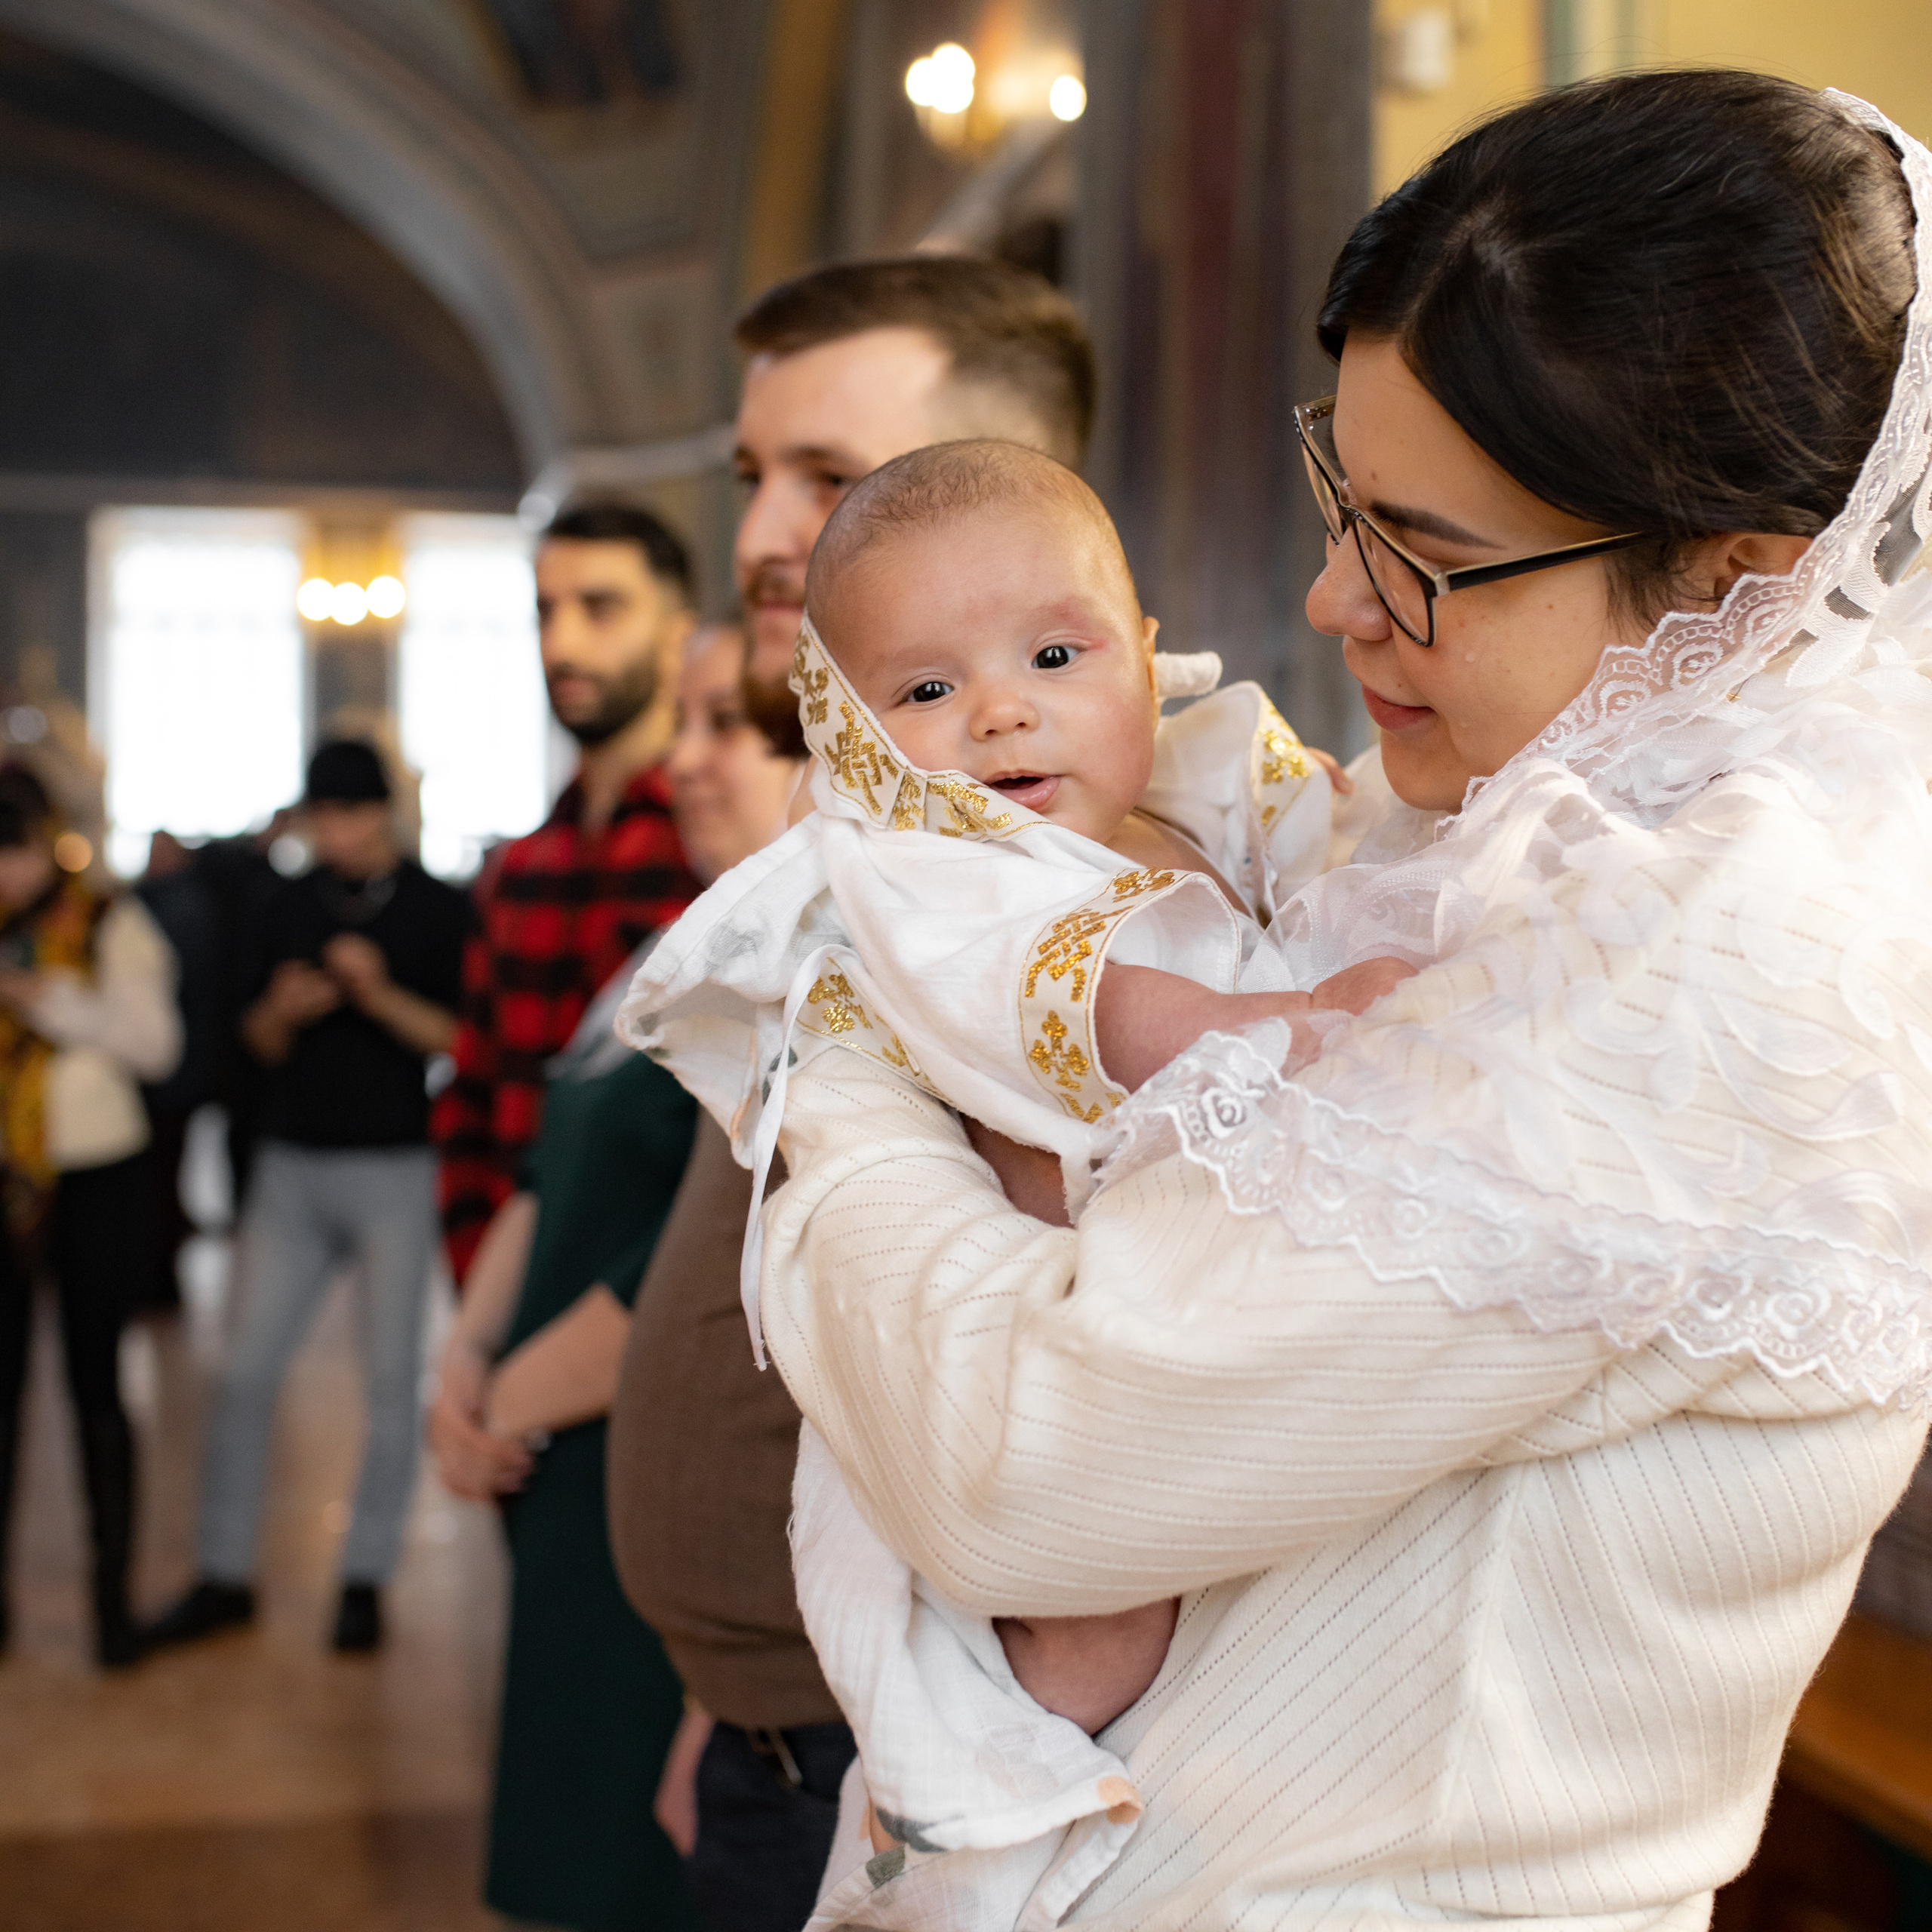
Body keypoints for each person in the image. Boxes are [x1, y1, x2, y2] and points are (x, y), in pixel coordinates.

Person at [755, 73, 1932, 1932]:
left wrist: (840, 1047)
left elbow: (1014, 1468)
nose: (1328, 598)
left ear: (1737, 577)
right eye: (1340, 496)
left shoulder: (1724, 951)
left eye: (1427, 558)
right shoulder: (1481, 810)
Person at [623, 438, 1415, 1915]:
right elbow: (1091, 999)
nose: (998, 708)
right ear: (856, 737)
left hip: (1195, 1286)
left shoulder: (1188, 781)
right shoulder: (931, 870)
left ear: (1140, 647)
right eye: (924, 691)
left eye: (1054, 651)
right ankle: (990, 1814)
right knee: (1085, 1631)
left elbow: (1333, 845)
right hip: (1024, 1331)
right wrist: (1268, 1023)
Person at [605, 255, 1104, 1932]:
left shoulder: (1038, 865)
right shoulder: (858, 840)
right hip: (784, 1696)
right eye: (753, 476)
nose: (760, 533)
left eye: (828, 477)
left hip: (903, 1739)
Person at [425, 621, 800, 1932]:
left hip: (628, 1455)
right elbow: (550, 1161)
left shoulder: (809, 976)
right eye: (683, 723)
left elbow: (707, 1256)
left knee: (628, 1869)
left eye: (727, 728)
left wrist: (513, 1392)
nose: (682, 764)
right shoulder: (681, 946)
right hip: (562, 1470)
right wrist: (465, 1358)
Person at [146, 741, 470, 1654]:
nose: (334, 831)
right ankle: (223, 1571)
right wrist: (283, 1009)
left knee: (386, 1381)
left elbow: (456, 1038)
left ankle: (365, 1575)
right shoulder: (281, 902)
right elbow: (249, 1041)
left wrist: (379, 995)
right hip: (291, 1165)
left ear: (380, 814)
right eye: (321, 815)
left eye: (348, 814)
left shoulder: (437, 908)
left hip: (396, 1166)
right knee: (245, 1371)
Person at [432, 502, 702, 1282]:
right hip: (509, 1275)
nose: (562, 644)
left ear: (677, 634)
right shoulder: (522, 863)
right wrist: (477, 1268)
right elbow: (472, 1086)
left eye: (602, 608)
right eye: (545, 612)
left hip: (646, 1290)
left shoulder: (711, 847)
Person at [0, 764, 180, 1666]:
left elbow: (157, 1046)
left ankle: (112, 1606)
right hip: (10, 1176)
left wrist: (52, 1003)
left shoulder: (109, 919)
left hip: (97, 1175)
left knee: (95, 1388)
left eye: (16, 852)